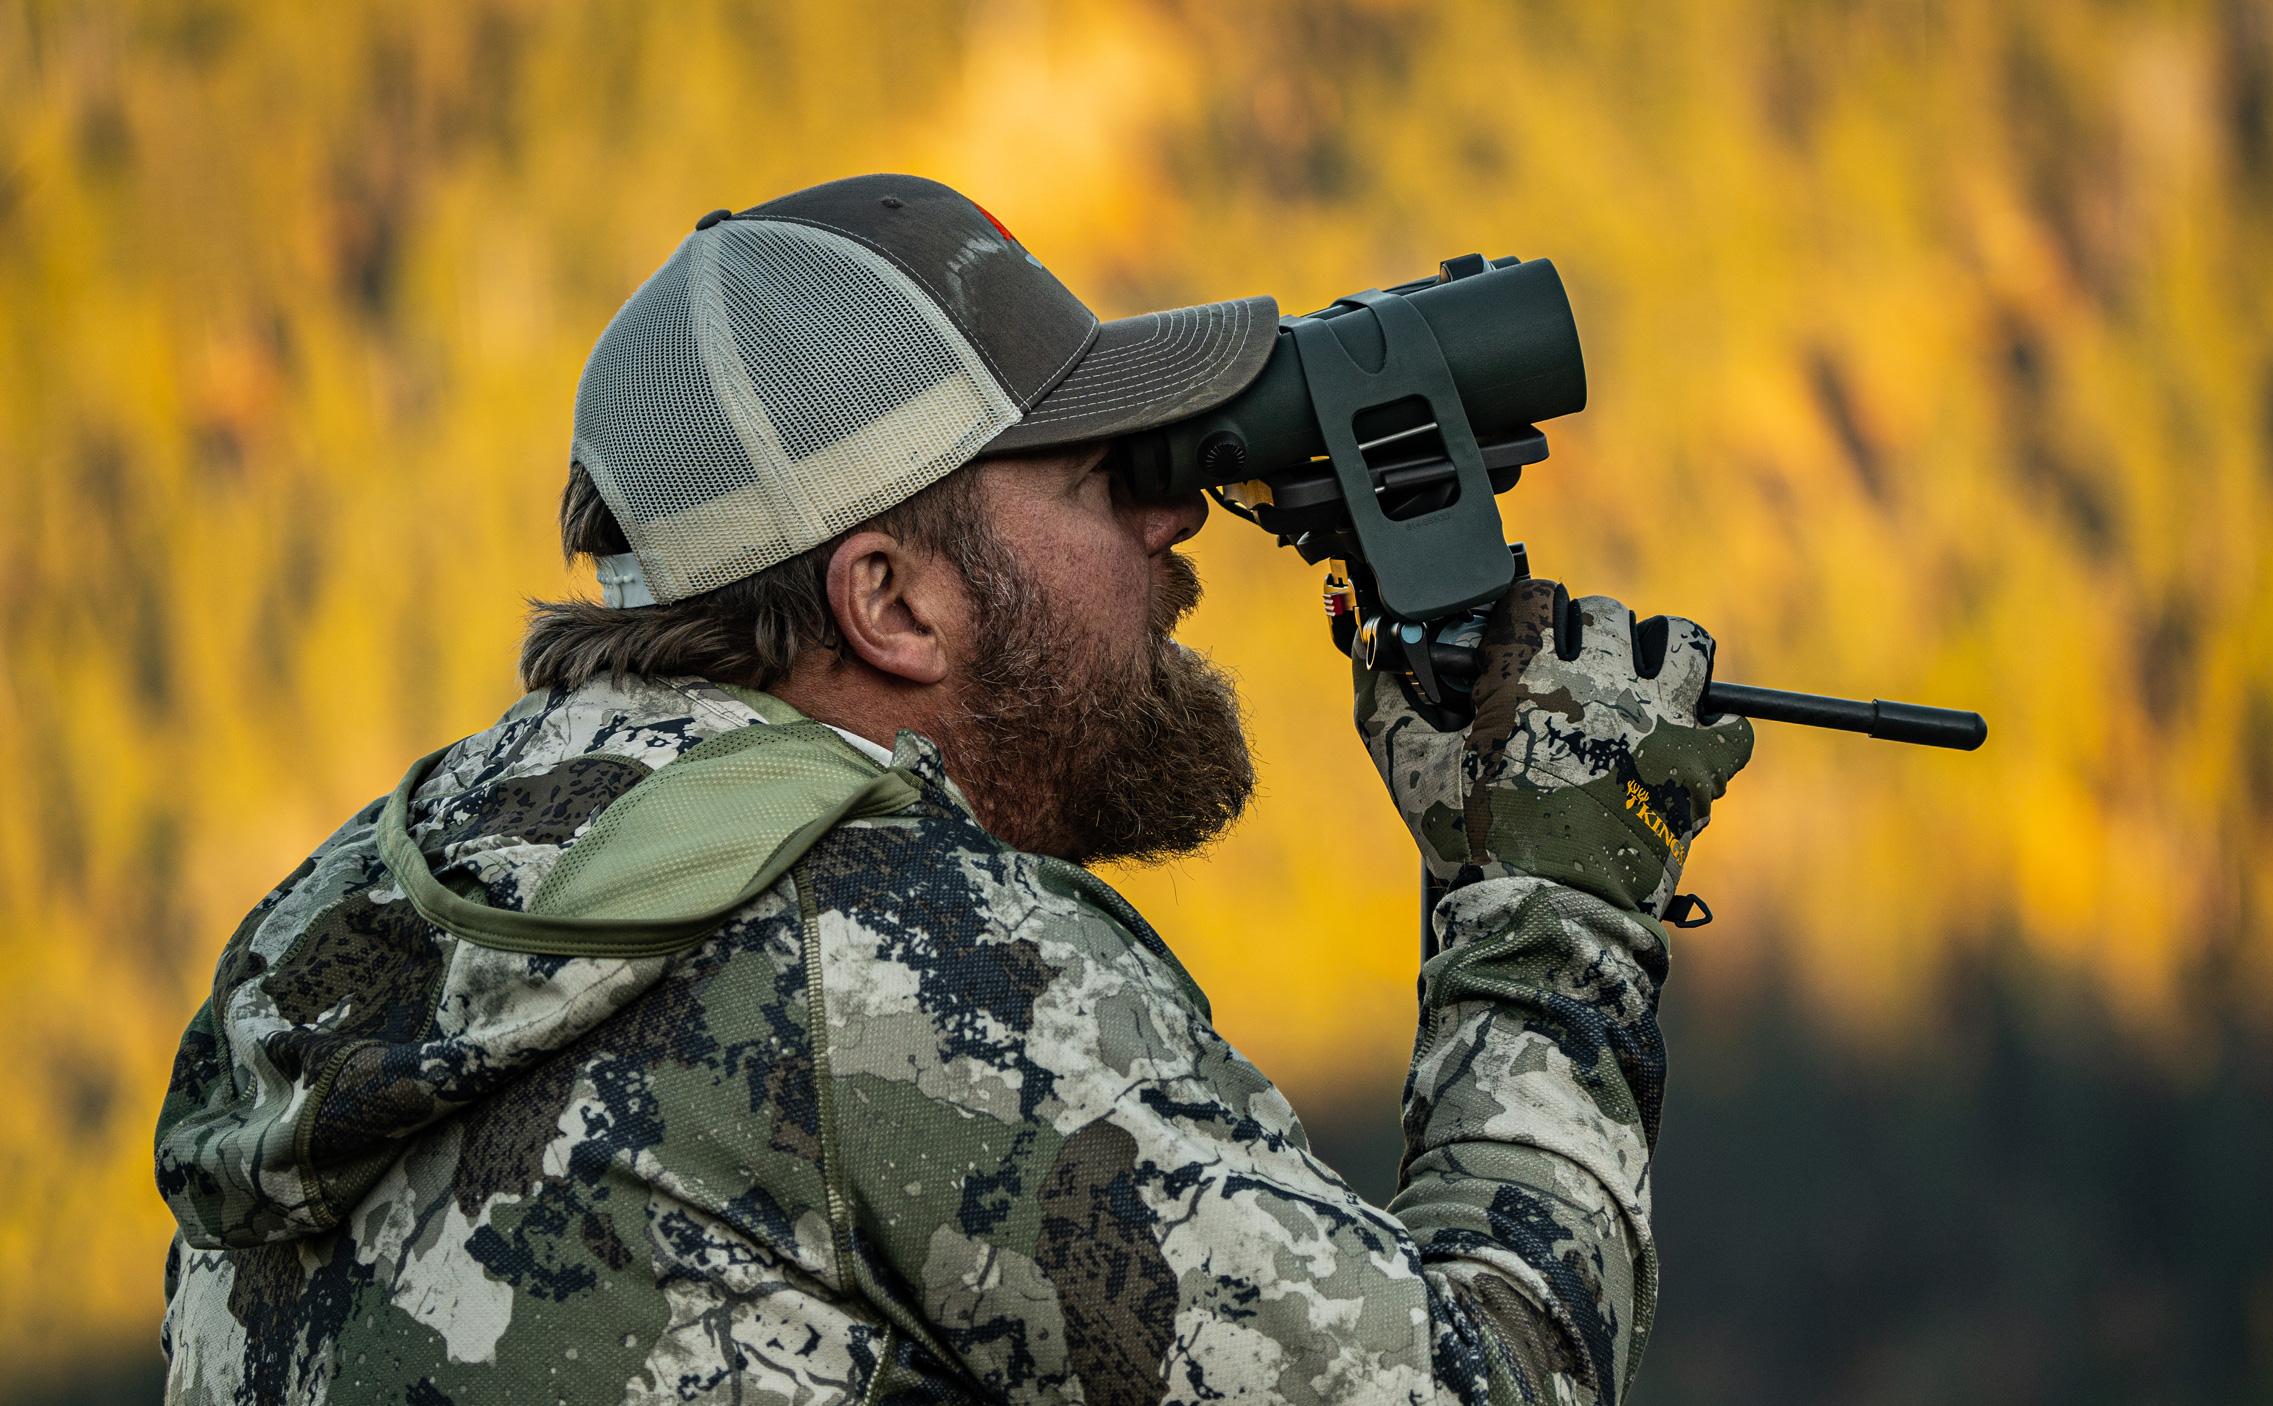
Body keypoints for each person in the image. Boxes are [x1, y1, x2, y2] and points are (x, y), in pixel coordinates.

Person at [153, 174, 1753, 1405]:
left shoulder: (352, 923)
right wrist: (1546, 889)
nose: (1173, 524)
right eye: (1102, 475)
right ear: (893, 599)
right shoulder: (889, 965)